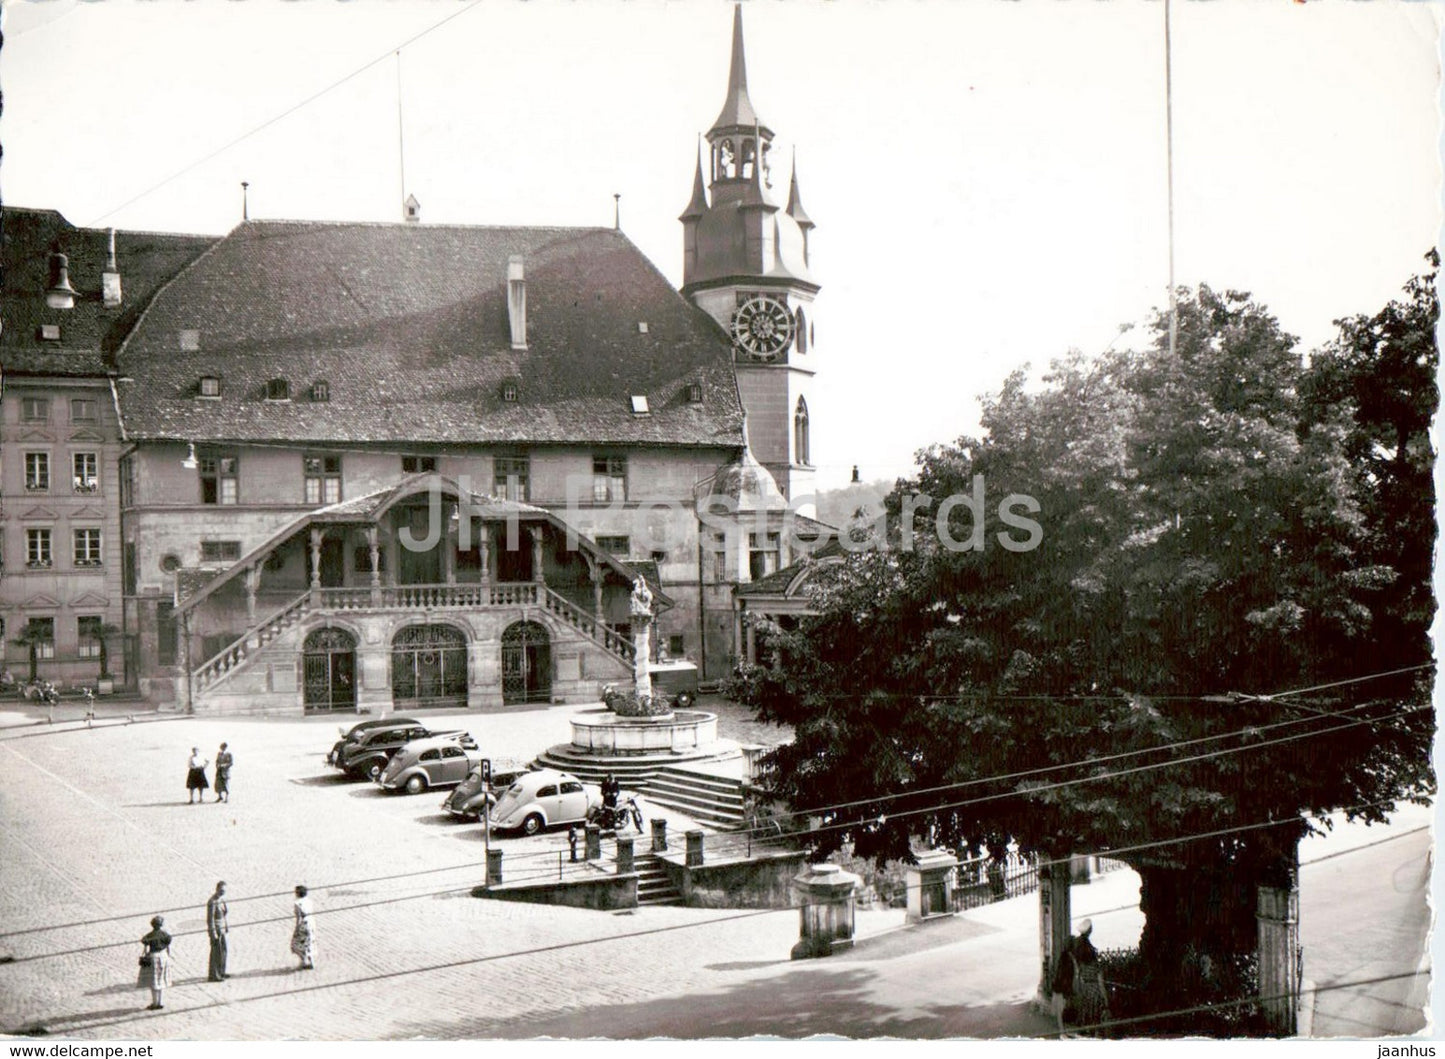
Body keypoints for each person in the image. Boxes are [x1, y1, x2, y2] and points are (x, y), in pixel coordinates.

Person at [1052, 918, 1110, 1037]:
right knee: (1094, 1016)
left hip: (1082, 988)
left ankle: (1079, 1033)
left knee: (1084, 1015)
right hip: (1091, 989)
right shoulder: (1092, 961)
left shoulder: (1075, 948)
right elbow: (1100, 981)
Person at [138, 914, 172, 1010]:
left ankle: (155, 1003)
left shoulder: (149, 935)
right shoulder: (166, 935)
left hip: (153, 957)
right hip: (163, 956)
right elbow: (169, 946)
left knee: (154, 982)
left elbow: (144, 942)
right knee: (160, 981)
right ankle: (159, 1002)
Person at [206, 881, 229, 981]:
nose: (223, 892)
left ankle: (221, 971)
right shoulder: (212, 901)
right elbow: (210, 919)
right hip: (216, 930)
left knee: (223, 951)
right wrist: (213, 933)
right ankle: (214, 975)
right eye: (221, 890)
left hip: (222, 928)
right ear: (217, 889)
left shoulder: (222, 900)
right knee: (216, 953)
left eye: (224, 890)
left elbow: (224, 915)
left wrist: (226, 926)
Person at [290, 885, 316, 970]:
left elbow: (299, 917)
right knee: (309, 942)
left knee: (297, 944)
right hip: (311, 922)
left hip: (303, 924)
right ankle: (311, 962)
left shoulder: (297, 903)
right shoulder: (309, 901)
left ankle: (303, 961)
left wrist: (296, 928)